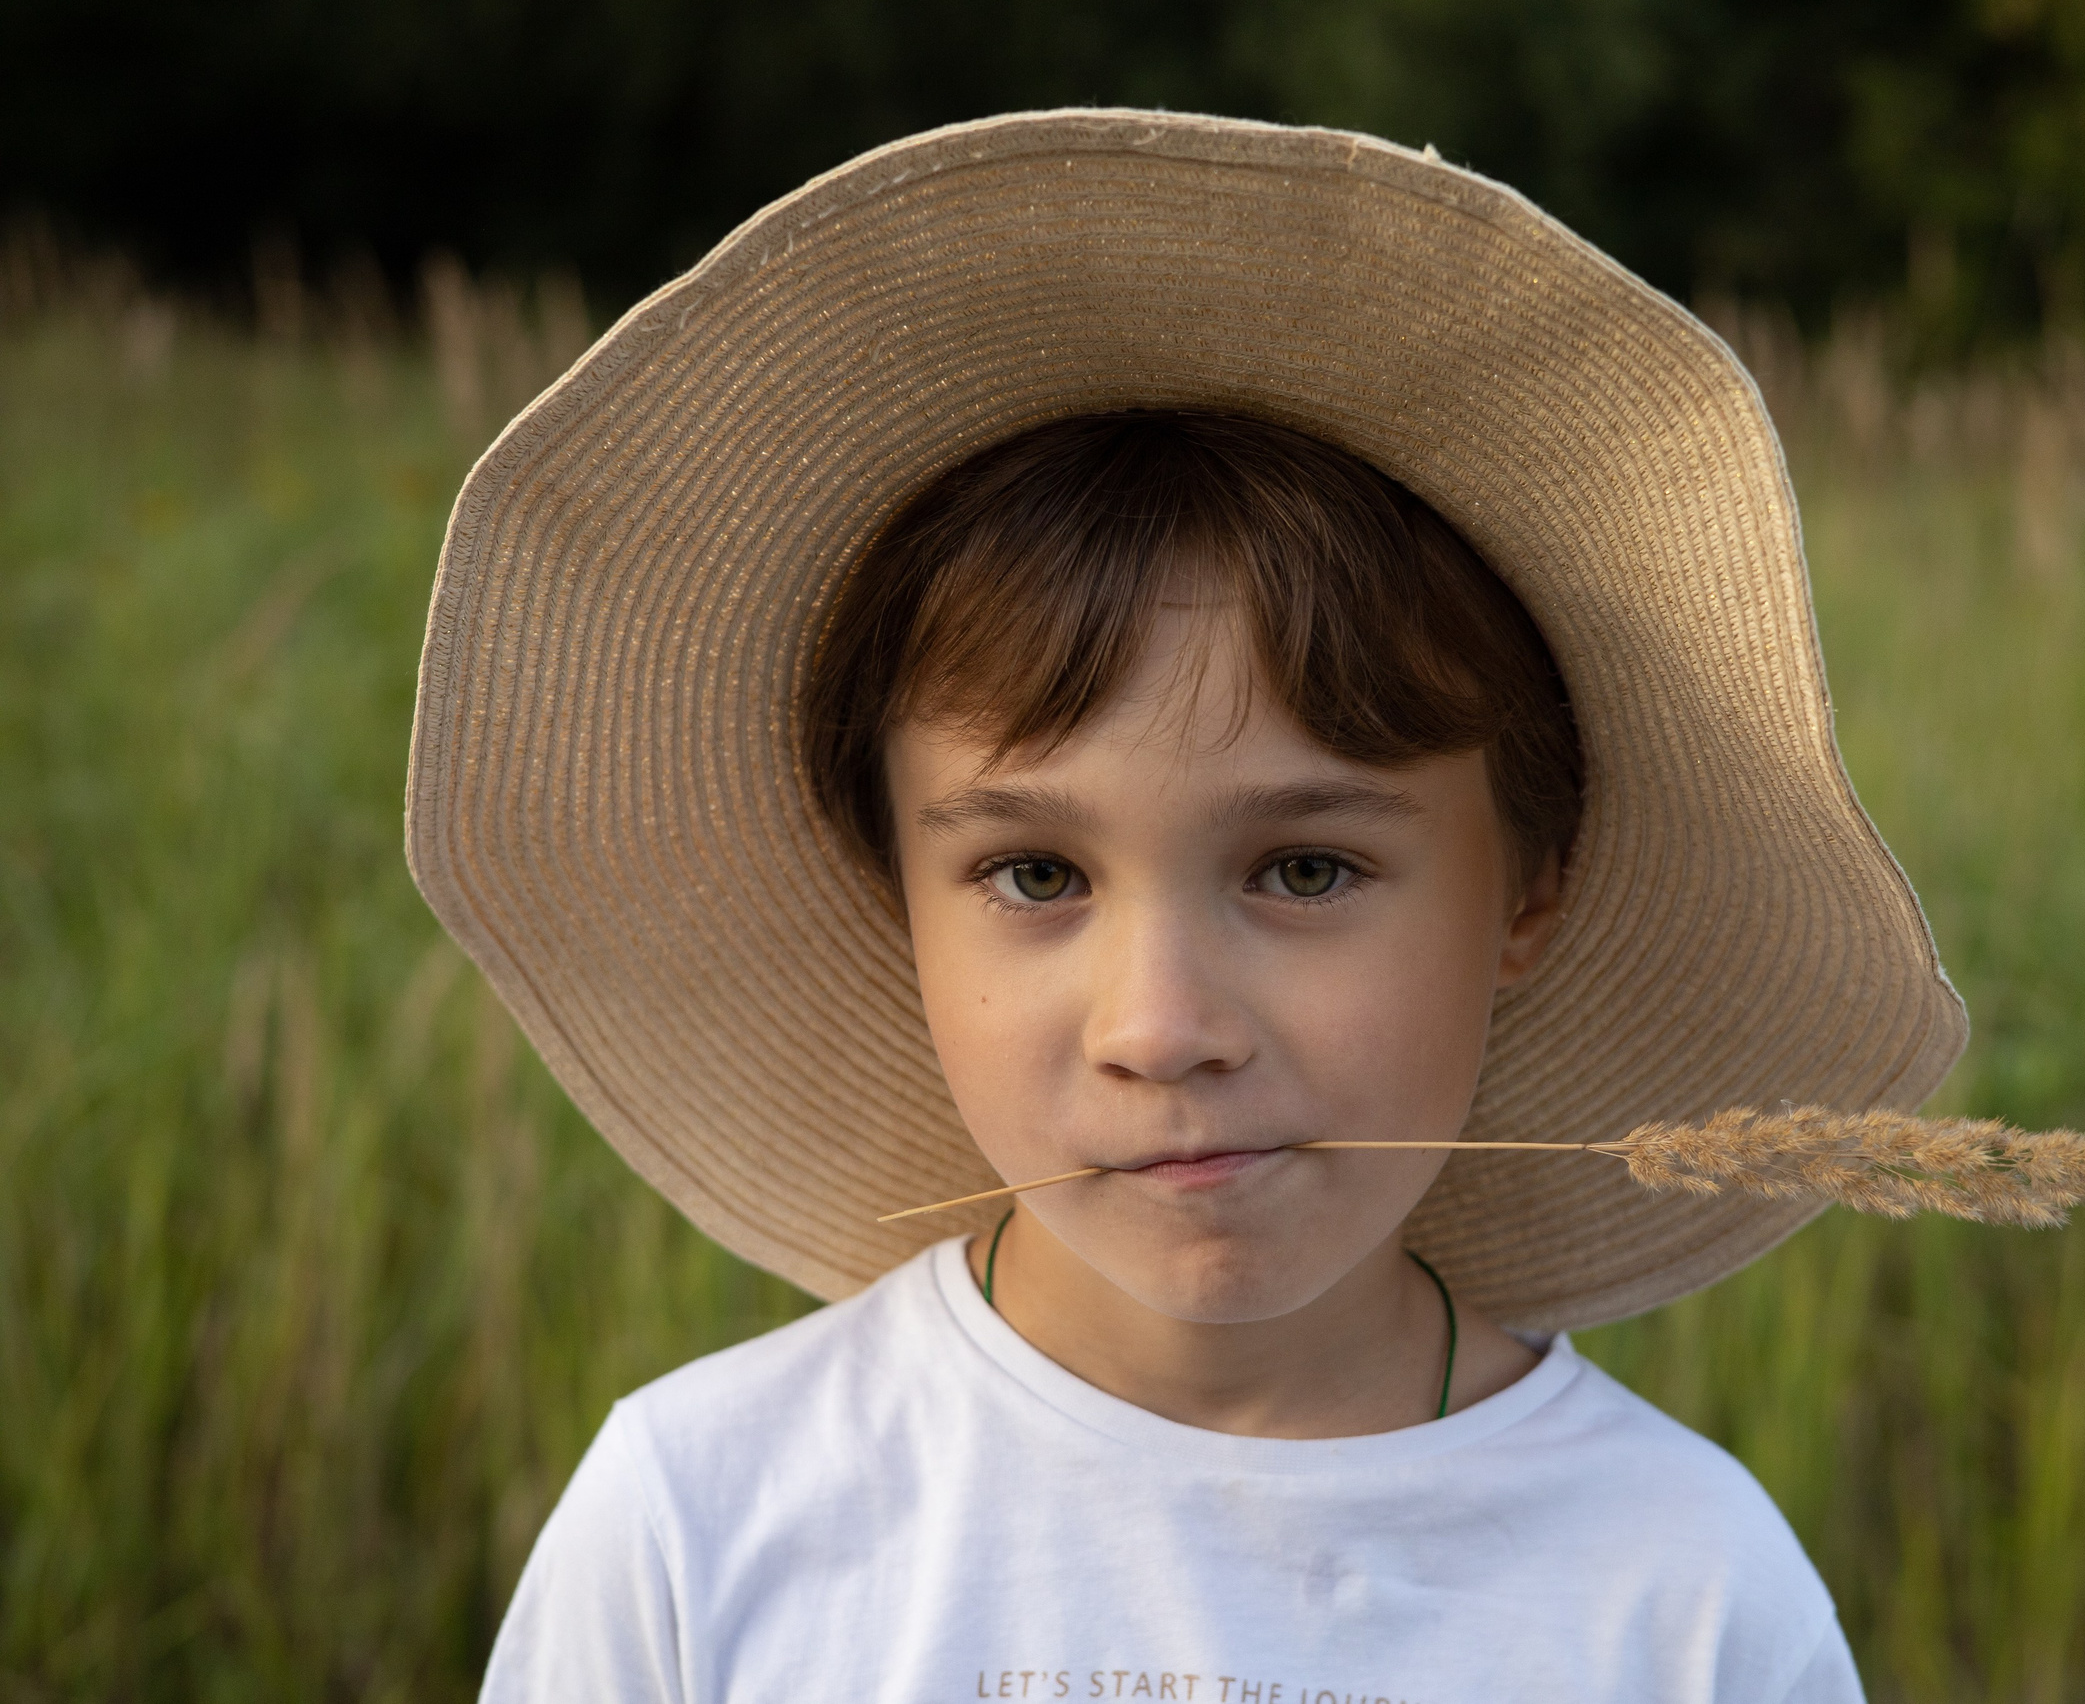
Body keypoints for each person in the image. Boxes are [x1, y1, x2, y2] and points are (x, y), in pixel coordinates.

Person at [410, 109, 1975, 1702]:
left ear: (1530, 892)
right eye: (1034, 875)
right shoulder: (700, 1520)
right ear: (898, 904)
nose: (1161, 1028)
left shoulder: (1680, 1593)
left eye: (1305, 871)